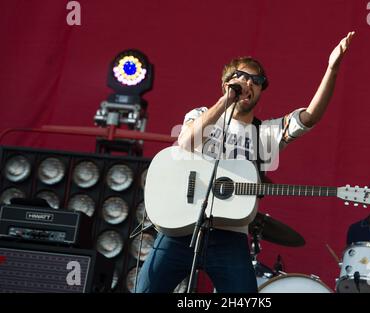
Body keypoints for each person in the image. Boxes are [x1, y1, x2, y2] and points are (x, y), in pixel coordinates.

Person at [136, 31, 356, 293]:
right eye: (240, 76)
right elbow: (186, 143)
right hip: (181, 229)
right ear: (226, 83)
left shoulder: (265, 134)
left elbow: (310, 117)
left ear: (262, 89)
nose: (248, 83)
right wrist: (226, 100)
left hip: (231, 236)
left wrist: (332, 68)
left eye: (256, 80)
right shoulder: (201, 115)